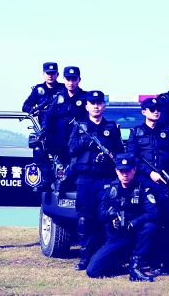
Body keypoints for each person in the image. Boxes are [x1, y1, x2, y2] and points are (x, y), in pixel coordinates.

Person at [68, 90, 125, 270]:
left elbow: (120, 153)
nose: (96, 106)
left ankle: (109, 256)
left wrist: (109, 158)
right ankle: (84, 257)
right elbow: (70, 150)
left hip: (106, 179)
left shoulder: (112, 128)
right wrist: (84, 143)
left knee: (108, 218)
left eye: (99, 103)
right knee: (84, 219)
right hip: (85, 179)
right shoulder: (80, 127)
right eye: (92, 103)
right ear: (87, 106)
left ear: (104, 106)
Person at [126, 97, 169, 273]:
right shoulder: (136, 132)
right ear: (144, 112)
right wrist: (149, 172)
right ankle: (152, 261)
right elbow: (131, 157)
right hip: (145, 185)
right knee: (152, 221)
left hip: (165, 185)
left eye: (158, 108)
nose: (156, 111)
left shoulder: (168, 132)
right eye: (151, 109)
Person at [86, 153, 158, 282]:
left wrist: (133, 223)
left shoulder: (143, 188)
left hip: (135, 236)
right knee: (92, 271)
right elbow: (100, 215)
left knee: (149, 227)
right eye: (121, 171)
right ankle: (119, 265)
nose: (125, 174)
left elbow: (153, 212)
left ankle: (135, 268)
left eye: (128, 171)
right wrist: (111, 214)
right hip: (117, 238)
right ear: (116, 171)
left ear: (134, 170)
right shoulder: (109, 189)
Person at [33, 66, 88, 192]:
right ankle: (47, 179)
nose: (71, 82)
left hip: (79, 143)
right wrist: (44, 131)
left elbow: (91, 119)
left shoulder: (85, 98)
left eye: (74, 79)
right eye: (68, 79)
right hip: (61, 141)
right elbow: (48, 116)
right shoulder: (58, 98)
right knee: (37, 145)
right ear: (64, 79)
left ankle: (65, 182)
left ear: (79, 80)